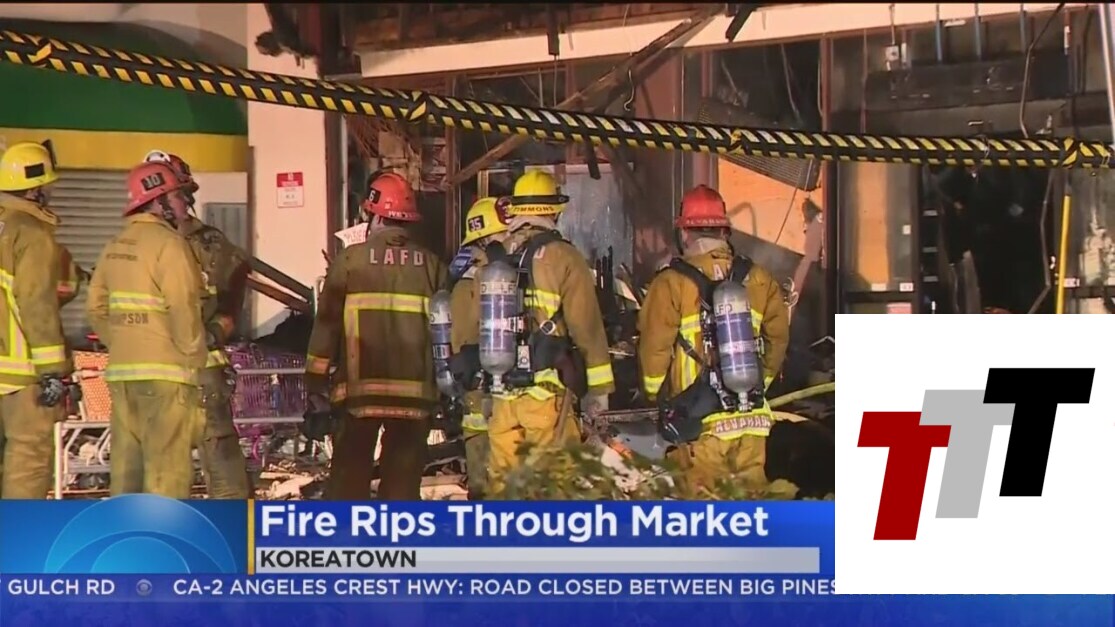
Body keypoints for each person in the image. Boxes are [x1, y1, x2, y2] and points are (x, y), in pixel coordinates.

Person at [303, 171, 448, 500]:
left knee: (348, 487)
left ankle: (347, 533)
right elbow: (444, 332)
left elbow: (326, 328)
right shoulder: (433, 266)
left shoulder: (349, 261)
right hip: (416, 398)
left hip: (360, 397)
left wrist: (315, 384)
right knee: (401, 491)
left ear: (374, 216)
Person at [637, 184, 790, 496]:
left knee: (707, 507)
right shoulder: (760, 278)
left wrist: (654, 394)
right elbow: (778, 341)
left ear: (684, 233)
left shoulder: (671, 283)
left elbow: (654, 349)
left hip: (701, 421)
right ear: (724, 231)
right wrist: (757, 383)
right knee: (752, 505)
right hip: (752, 418)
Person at [469, 170, 615, 493]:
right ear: (554, 211)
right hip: (546, 397)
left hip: (502, 395)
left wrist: (485, 394)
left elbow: (480, 327)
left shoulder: (494, 259)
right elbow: (587, 328)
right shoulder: (564, 256)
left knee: (505, 491)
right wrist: (599, 393)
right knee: (554, 490)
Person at [86, 161, 208, 498]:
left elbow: (95, 307)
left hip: (123, 375)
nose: (184, 203)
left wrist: (123, 342)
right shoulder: (170, 245)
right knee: (167, 473)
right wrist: (195, 358)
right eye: (178, 196)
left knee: (127, 472)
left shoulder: (115, 245)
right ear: (159, 201)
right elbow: (183, 307)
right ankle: (162, 531)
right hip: (167, 377)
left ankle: (123, 530)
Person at [144, 150, 252, 499]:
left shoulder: (205, 245)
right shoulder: (207, 244)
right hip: (184, 369)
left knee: (179, 463)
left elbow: (230, 302)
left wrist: (214, 331)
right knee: (208, 462)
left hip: (179, 370)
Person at [0, 141, 72, 499]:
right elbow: (36, 303)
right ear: (35, 189)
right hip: (19, 373)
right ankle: (18, 533)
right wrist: (52, 371)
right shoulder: (31, 233)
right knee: (28, 463)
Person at [448, 196, 511, 499]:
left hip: (502, 393)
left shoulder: (502, 275)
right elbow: (462, 345)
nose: (511, 239)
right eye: (505, 233)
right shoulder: (469, 284)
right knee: (485, 479)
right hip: (480, 393)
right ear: (486, 239)